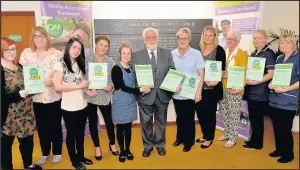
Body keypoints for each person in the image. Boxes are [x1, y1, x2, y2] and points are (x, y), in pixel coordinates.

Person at [19, 26, 63, 165]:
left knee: (55, 125)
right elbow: (21, 75)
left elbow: (63, 74)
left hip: (54, 96)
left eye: (42, 36)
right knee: (42, 127)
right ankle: (45, 153)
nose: (39, 39)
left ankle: (57, 152)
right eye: (36, 36)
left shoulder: (56, 53)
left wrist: (54, 81)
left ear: (47, 37)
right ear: (33, 38)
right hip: (36, 98)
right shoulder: (26, 53)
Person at [132, 27, 175, 157]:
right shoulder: (137, 55)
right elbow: (134, 75)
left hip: (162, 95)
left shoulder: (167, 53)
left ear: (158, 38)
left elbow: (172, 71)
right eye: (148, 37)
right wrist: (140, 89)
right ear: (144, 40)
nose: (151, 39)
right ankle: (148, 146)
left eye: (154, 37)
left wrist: (173, 85)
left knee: (161, 122)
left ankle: (160, 145)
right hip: (145, 96)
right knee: (145, 123)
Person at [1, 37, 42, 170]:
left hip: (26, 112)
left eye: (14, 49)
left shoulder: (19, 66)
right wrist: (18, 95)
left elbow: (28, 84)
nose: (12, 52)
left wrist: (35, 88)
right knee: (6, 145)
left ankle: (28, 164)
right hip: (8, 115)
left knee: (27, 141)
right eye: (8, 50)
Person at [53, 38, 93, 170]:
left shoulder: (79, 64)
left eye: (79, 49)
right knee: (71, 135)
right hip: (69, 107)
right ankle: (74, 161)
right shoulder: (59, 65)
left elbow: (83, 83)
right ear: (69, 47)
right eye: (74, 47)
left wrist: (88, 89)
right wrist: (79, 86)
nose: (76, 51)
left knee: (80, 134)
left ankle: (81, 156)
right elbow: (58, 87)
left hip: (82, 105)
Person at [111, 41, 151, 162]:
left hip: (131, 103)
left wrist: (145, 86)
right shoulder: (116, 69)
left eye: (129, 53)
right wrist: (140, 90)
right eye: (124, 53)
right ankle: (122, 151)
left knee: (128, 128)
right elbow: (123, 87)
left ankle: (128, 149)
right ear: (120, 54)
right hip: (120, 103)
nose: (127, 55)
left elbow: (138, 82)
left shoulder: (133, 68)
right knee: (120, 128)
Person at [84, 35, 119, 161]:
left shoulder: (110, 62)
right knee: (93, 123)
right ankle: (97, 147)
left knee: (109, 122)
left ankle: (112, 144)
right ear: (95, 45)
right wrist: (87, 88)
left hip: (105, 96)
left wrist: (111, 86)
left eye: (106, 46)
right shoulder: (87, 60)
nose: (103, 47)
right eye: (101, 45)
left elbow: (114, 80)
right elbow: (82, 78)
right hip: (91, 97)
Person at [171, 28, 204, 152]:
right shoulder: (172, 53)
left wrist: (199, 92)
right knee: (179, 117)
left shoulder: (196, 53)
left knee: (189, 118)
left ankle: (188, 142)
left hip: (190, 91)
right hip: (177, 92)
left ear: (189, 40)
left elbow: (201, 74)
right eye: (180, 38)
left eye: (185, 38)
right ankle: (180, 138)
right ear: (177, 39)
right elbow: (170, 72)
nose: (182, 40)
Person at [268, 34, 299, 163]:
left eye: (287, 43)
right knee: (276, 127)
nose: (283, 45)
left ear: (293, 44)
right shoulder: (279, 58)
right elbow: (276, 77)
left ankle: (288, 154)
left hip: (288, 100)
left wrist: (286, 89)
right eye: (281, 43)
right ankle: (279, 149)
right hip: (275, 99)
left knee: (285, 129)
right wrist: (271, 84)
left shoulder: (297, 58)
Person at [243, 29, 276, 150]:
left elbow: (271, 73)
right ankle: (253, 141)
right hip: (251, 92)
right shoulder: (254, 53)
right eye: (255, 38)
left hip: (261, 93)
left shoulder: (268, 53)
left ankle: (257, 144)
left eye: (259, 38)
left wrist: (258, 81)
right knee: (253, 118)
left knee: (257, 119)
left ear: (266, 39)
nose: (256, 40)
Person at [195, 26, 226, 149]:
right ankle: (205, 134)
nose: (207, 37)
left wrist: (215, 81)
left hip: (212, 89)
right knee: (200, 113)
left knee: (209, 114)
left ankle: (209, 138)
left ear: (214, 36)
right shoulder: (198, 50)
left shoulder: (219, 50)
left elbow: (222, 70)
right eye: (205, 35)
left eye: (210, 35)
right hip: (198, 88)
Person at [217, 30, 248, 148]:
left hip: (235, 89)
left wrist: (241, 86)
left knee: (234, 114)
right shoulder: (224, 52)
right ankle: (227, 133)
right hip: (223, 88)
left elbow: (243, 72)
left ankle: (233, 138)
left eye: (232, 39)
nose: (229, 41)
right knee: (225, 112)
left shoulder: (241, 54)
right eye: (228, 39)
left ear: (238, 41)